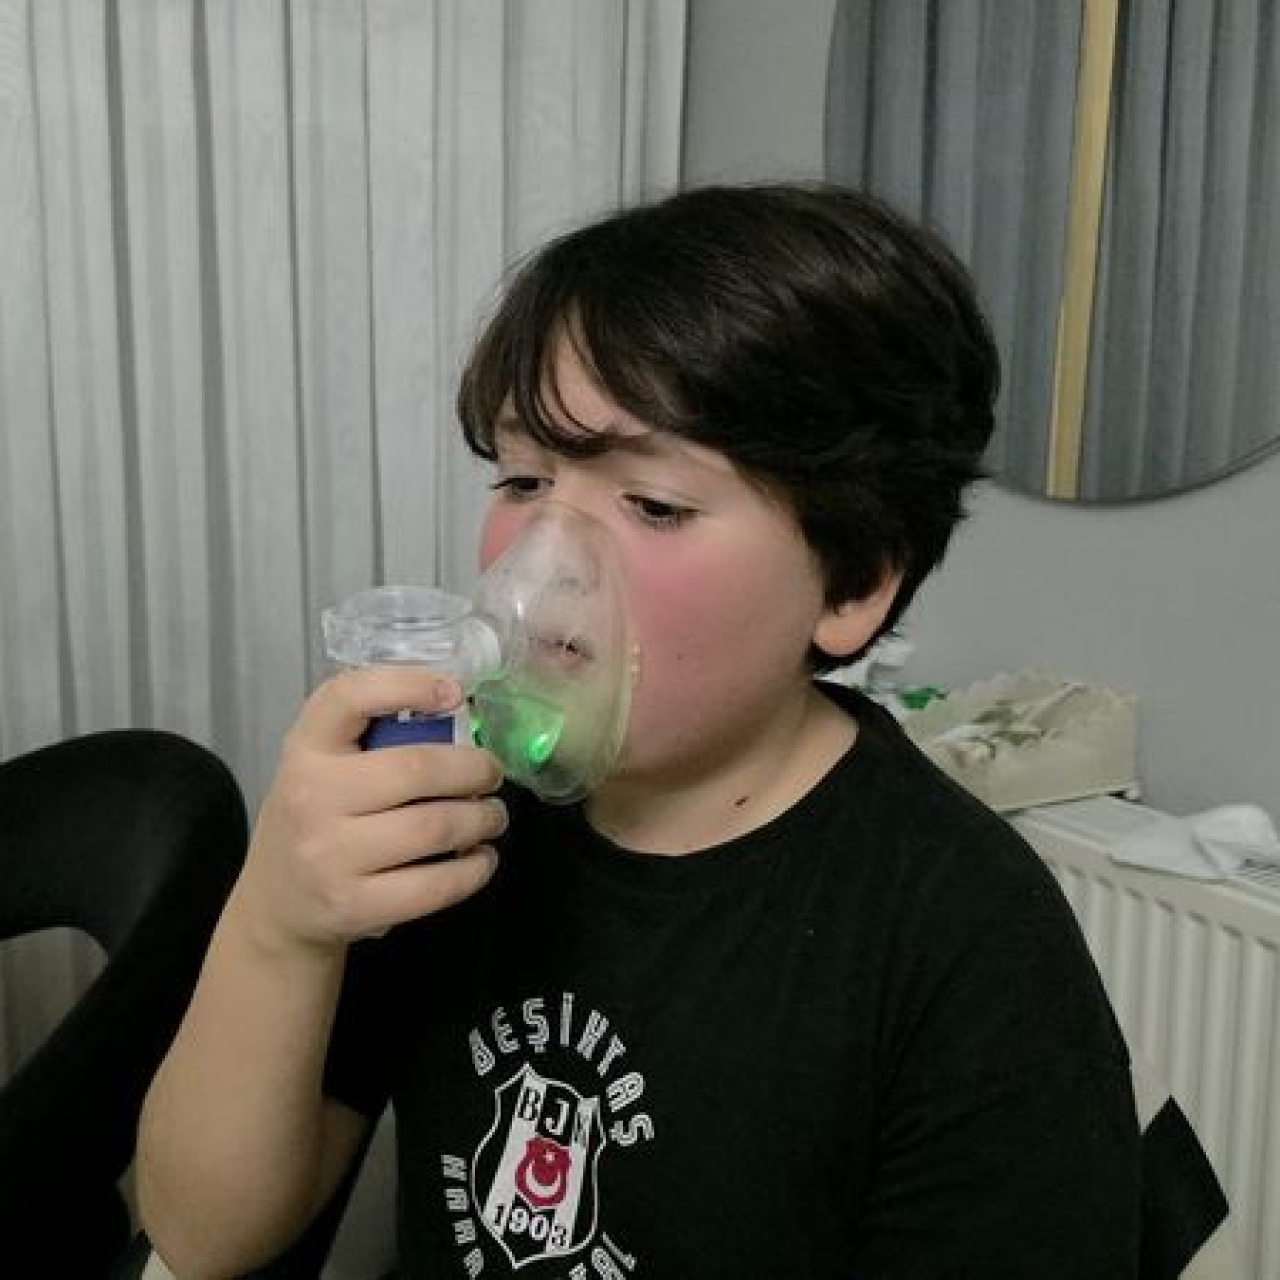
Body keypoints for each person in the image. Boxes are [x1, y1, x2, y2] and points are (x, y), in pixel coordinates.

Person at [137, 182, 1141, 1278]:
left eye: (653, 504)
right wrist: (280, 921)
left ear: (852, 580)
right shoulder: (454, 812)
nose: (545, 565)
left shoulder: (962, 942)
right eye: (524, 479)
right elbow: (202, 1234)